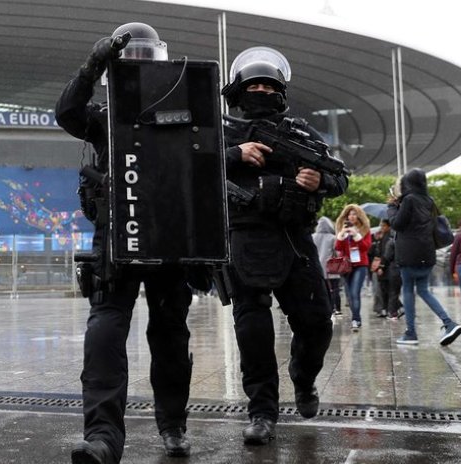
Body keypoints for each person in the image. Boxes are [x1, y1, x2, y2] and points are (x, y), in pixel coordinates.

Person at [56, 22, 193, 464]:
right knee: (104, 333)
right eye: (128, 61)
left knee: (170, 336)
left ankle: (172, 425)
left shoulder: (183, 111)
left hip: (169, 237)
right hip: (115, 239)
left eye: (144, 59)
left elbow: (212, 150)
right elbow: (67, 112)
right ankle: (102, 438)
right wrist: (91, 65)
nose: (138, 67)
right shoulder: (102, 116)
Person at [221, 46, 348, 445]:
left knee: (317, 323)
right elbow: (190, 169)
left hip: (294, 239)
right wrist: (234, 154)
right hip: (245, 240)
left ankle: (303, 377)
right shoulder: (222, 131)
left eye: (269, 87)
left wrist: (320, 182)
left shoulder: (300, 133)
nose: (262, 92)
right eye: (254, 86)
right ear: (239, 91)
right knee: (253, 333)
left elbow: (339, 177)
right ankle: (262, 412)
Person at [387, 169, 461, 346]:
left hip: (409, 255)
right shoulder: (429, 200)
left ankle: (411, 333)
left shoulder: (409, 200)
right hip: (427, 254)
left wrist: (391, 208)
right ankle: (448, 323)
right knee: (423, 290)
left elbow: (397, 224)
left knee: (408, 290)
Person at [335, 205, 372, 331]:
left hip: (360, 265)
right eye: (349, 214)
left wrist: (356, 235)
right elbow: (338, 247)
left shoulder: (365, 230)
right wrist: (342, 234)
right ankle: (356, 318)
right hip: (346, 266)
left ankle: (356, 319)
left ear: (359, 216)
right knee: (350, 295)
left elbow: (366, 247)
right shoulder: (343, 229)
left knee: (355, 292)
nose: (352, 216)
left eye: (354, 214)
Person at [312, 217, 342, 316]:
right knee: (334, 289)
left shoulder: (313, 237)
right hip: (331, 269)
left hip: (317, 269)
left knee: (320, 290)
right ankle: (336, 308)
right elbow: (337, 253)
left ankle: (323, 307)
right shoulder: (333, 238)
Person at [375, 219, 403, 320]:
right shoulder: (384, 237)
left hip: (390, 268)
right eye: (381, 226)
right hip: (393, 268)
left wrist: (381, 267)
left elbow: (386, 255)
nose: (382, 228)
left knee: (391, 291)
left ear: (389, 226)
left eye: (383, 226)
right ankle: (396, 309)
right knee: (390, 291)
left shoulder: (390, 239)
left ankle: (393, 312)